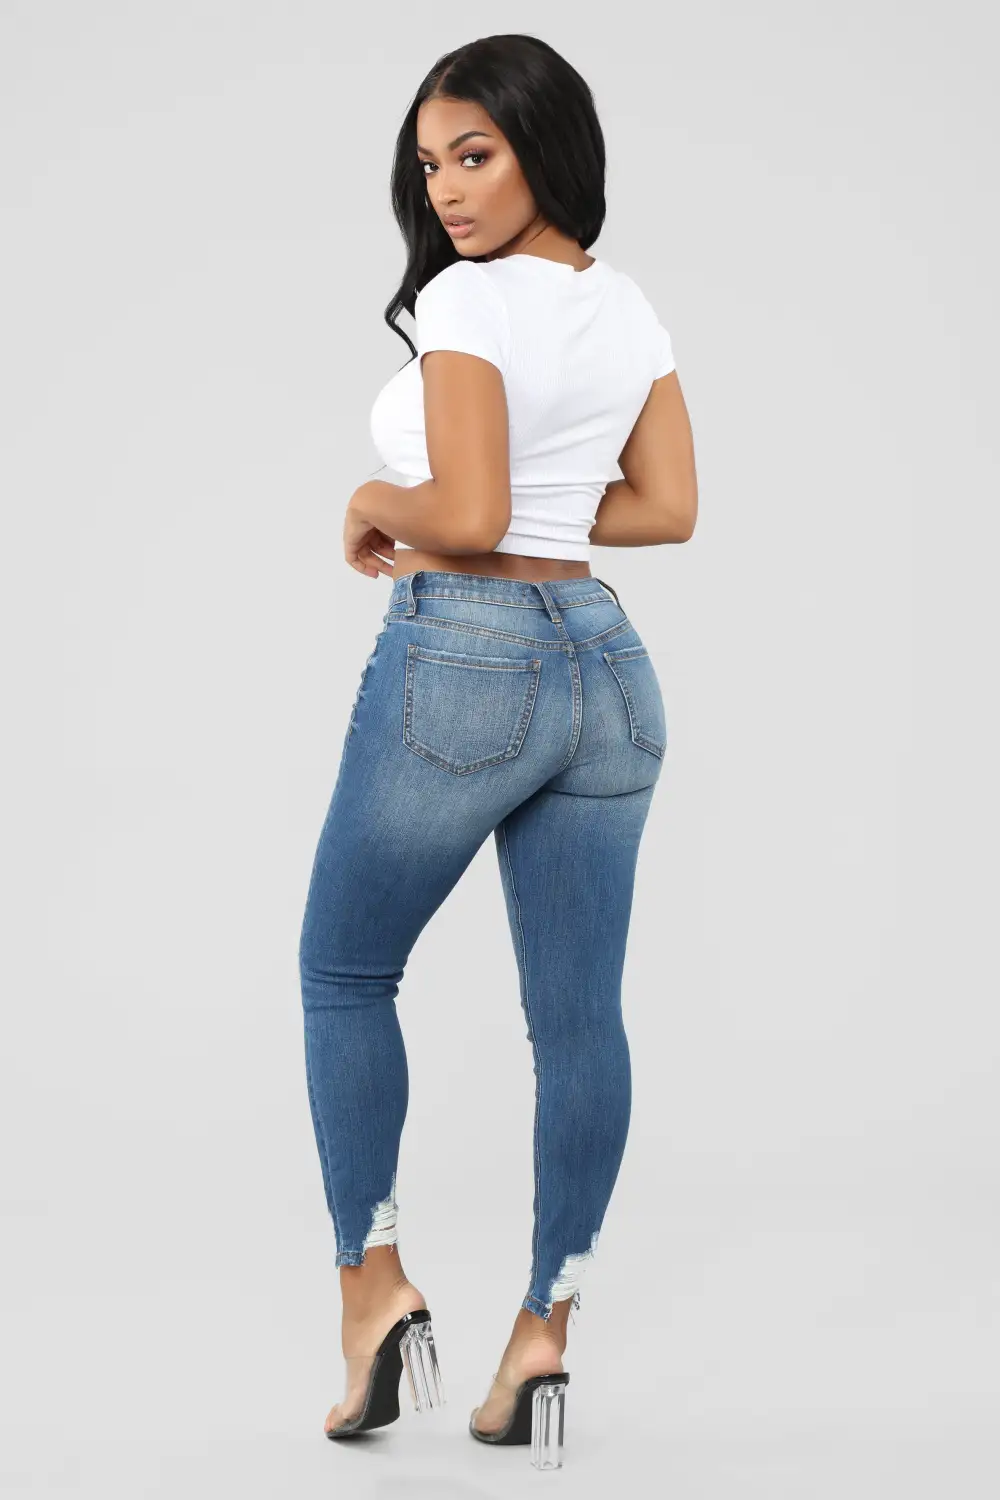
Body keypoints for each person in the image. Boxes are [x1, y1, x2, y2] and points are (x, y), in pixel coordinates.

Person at [297, 32, 697, 1466]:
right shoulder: (626, 305)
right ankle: (544, 1336)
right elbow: (668, 508)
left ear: (546, 144)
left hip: (467, 652)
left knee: (345, 972)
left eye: (475, 154)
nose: (449, 192)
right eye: (429, 166)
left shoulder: (469, 300)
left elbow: (463, 517)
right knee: (579, 1022)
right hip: (607, 666)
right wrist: (536, 507)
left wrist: (372, 500)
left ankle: (374, 1293)